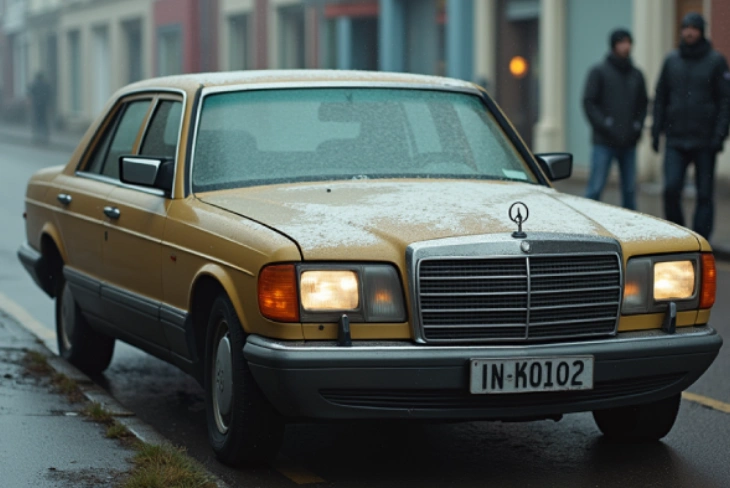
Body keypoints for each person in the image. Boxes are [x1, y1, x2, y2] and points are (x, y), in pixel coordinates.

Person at [652, 12, 730, 240]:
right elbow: (660, 97)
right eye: (686, 27)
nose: (689, 32)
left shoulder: (716, 61)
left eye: (694, 28)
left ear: (701, 31)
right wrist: (656, 131)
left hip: (705, 140)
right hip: (676, 139)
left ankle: (700, 238)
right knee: (671, 189)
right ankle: (679, 235)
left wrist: (720, 135)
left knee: (705, 194)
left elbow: (726, 101)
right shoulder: (671, 60)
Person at [583, 28, 648, 210]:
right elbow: (589, 103)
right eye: (621, 42)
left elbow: (643, 105)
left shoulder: (637, 75)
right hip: (604, 142)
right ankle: (586, 226)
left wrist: (637, 126)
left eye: (628, 42)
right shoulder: (599, 72)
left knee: (629, 191)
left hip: (629, 142)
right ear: (613, 45)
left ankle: (630, 229)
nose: (625, 46)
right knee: (595, 188)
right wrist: (604, 124)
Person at [29, 72, 52, 145]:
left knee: (37, 120)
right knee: (44, 121)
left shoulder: (35, 84)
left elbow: (30, 92)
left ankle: (37, 136)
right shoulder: (46, 85)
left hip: (36, 106)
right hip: (44, 106)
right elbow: (49, 93)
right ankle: (45, 136)